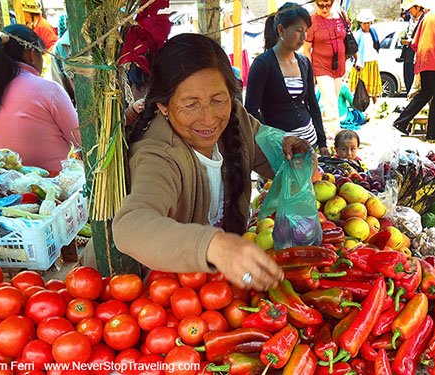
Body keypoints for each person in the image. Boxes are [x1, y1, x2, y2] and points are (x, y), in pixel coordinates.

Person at [112, 33, 312, 291]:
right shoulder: (158, 154)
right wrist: (212, 246)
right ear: (163, 106)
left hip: (218, 291)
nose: (208, 119)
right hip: (165, 295)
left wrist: (293, 152)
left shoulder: (236, 119)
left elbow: (278, 161)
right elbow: (130, 225)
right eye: (191, 104)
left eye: (218, 100)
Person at [0, 24, 81, 172]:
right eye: (41, 53)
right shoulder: (49, 90)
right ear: (31, 54)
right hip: (56, 184)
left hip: (10, 184)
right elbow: (81, 140)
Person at [245, 3, 329, 156]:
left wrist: (322, 142)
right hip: (282, 151)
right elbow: (251, 110)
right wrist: (276, 141)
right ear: (281, 30)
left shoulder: (304, 63)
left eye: (305, 31)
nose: (304, 37)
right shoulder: (263, 64)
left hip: (310, 143)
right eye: (298, 31)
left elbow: (312, 103)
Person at [393, 6, 435, 141]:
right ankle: (433, 132)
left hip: (424, 59)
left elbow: (414, 42)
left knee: (425, 93)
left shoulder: (428, 16)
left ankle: (401, 122)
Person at [303, 0, 348, 126]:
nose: (324, 9)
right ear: (315, 4)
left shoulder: (341, 16)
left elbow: (348, 38)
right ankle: (333, 136)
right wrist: (310, 72)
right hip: (320, 65)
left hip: (339, 66)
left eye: (327, 5)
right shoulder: (312, 21)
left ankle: (323, 128)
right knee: (330, 103)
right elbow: (306, 49)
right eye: (320, 5)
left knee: (333, 100)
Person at [348, 9, 382, 105]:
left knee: (373, 86)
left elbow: (376, 45)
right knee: (361, 87)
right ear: (360, 23)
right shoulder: (357, 35)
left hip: (372, 62)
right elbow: (353, 50)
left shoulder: (373, 32)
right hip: (362, 64)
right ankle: (360, 106)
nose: (367, 25)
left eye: (368, 23)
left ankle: (375, 105)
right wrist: (356, 62)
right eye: (364, 23)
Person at [398, 0, 425, 93]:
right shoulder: (410, 19)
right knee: (407, 78)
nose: (409, 11)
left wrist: (411, 42)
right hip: (408, 54)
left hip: (417, 54)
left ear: (417, 8)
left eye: (411, 9)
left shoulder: (424, 19)